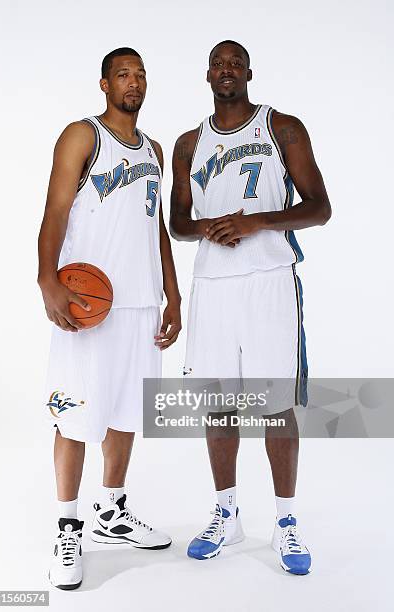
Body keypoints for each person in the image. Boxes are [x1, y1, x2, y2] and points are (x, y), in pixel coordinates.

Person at [170, 40, 331, 574]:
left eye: (235, 62)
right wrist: (211, 230)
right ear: (206, 74)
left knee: (275, 405)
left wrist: (255, 221)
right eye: (218, 63)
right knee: (218, 404)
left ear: (249, 73)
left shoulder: (281, 127)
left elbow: (320, 207)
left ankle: (285, 521)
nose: (226, 70)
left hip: (268, 281)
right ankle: (226, 513)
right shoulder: (188, 144)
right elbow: (177, 224)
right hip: (214, 285)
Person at [38, 47, 181, 590]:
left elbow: (157, 226)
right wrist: (46, 280)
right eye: (123, 73)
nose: (134, 82)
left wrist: (173, 294)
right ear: (104, 83)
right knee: (75, 416)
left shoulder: (155, 150)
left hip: (140, 304)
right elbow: (54, 210)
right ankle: (68, 525)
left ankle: (111, 512)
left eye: (141, 74)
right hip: (86, 307)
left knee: (125, 414)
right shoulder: (82, 135)